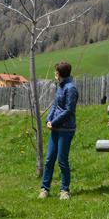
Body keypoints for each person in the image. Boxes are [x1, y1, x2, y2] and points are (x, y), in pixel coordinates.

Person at [39, 62, 79, 200]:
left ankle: (65, 190)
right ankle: (45, 188)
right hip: (55, 128)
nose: (54, 74)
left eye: (56, 72)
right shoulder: (60, 87)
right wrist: (48, 120)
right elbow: (55, 106)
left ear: (60, 73)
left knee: (62, 160)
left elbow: (69, 110)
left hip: (66, 129)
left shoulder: (71, 88)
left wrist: (54, 122)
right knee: (50, 159)